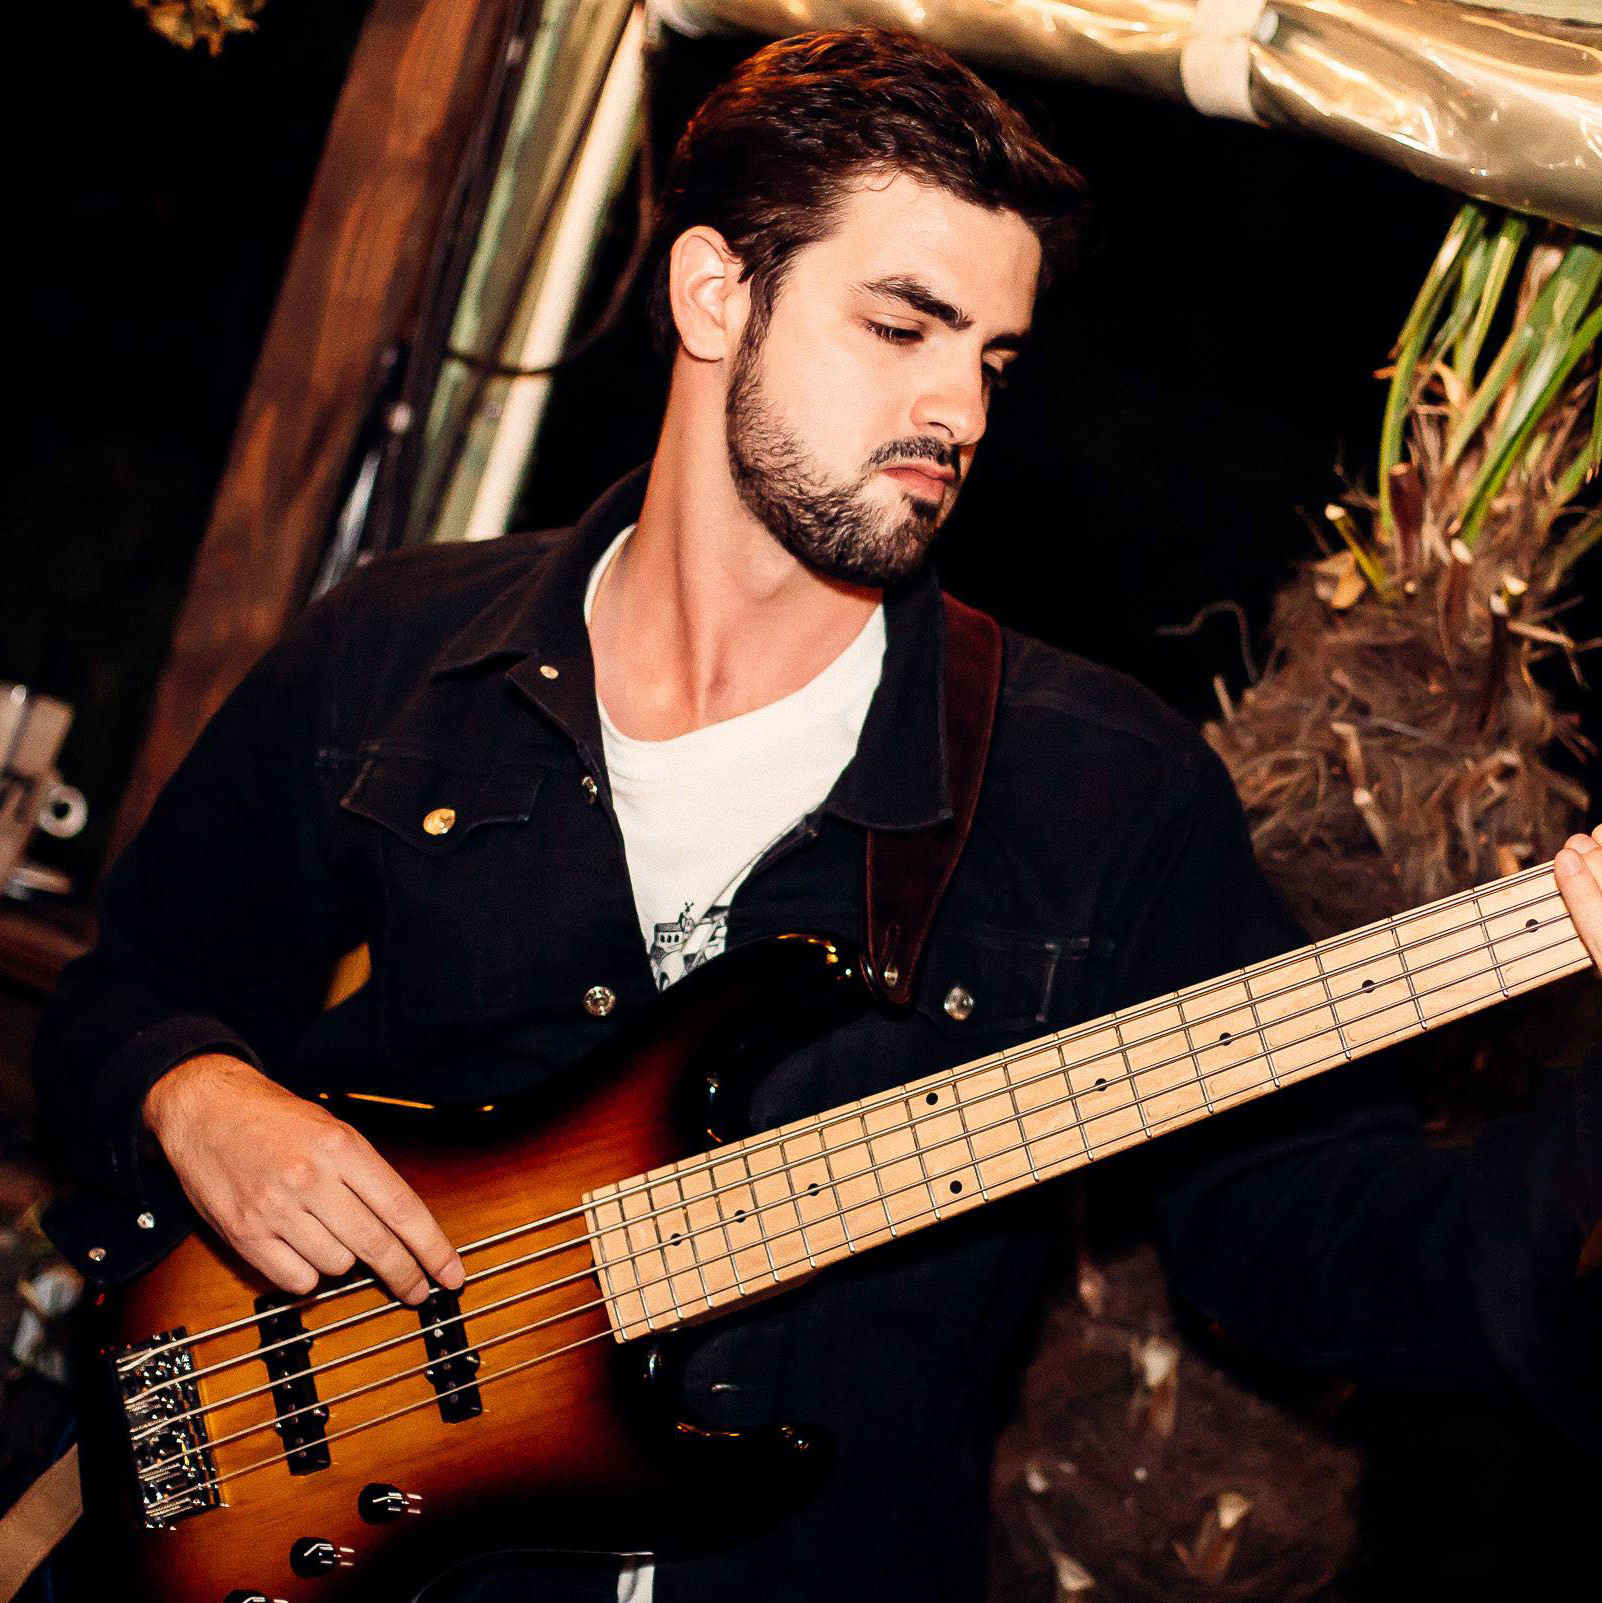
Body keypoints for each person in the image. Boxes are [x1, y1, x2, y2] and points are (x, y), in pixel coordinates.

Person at [33, 26, 1602, 1603]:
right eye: (900, 325)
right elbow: (122, 1000)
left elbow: (1314, 1242)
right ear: (714, 294)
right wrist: (193, 1093)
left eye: (991, 359)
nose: (958, 409)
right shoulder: (399, 651)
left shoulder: (1096, 789)